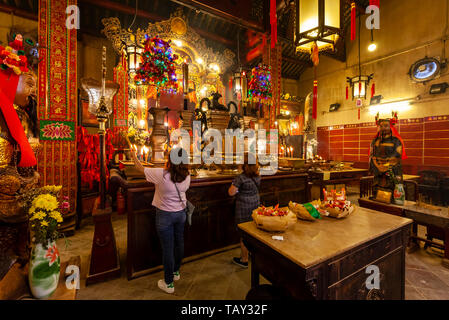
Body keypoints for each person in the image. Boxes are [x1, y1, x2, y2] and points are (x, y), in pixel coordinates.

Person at [127, 138, 191, 294]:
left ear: (170, 159)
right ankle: (176, 272)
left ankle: (168, 283)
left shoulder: (161, 174)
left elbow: (139, 168)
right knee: (179, 242)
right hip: (181, 214)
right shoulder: (187, 176)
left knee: (168, 249)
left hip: (165, 216)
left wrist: (133, 155)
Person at [228, 153, 261, 268]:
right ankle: (253, 254)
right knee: (253, 231)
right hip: (255, 204)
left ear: (245, 164)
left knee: (244, 234)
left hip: (244, 207)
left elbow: (231, 192)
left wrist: (237, 190)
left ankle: (244, 259)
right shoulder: (258, 175)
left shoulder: (240, 177)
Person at [369, 112, 407, 199]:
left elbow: (397, 156)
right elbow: (372, 156)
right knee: (377, 188)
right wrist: (378, 167)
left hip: (392, 170)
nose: (383, 128)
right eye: (381, 126)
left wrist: (387, 167)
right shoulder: (375, 141)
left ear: (391, 127)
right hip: (378, 170)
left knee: (392, 188)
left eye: (386, 126)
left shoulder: (396, 141)